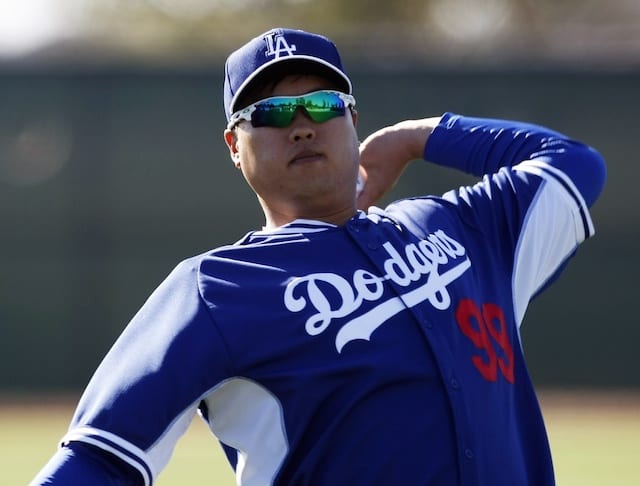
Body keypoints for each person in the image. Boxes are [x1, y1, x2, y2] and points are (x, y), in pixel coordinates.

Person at [32, 27, 606, 486]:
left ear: (352, 120)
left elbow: (572, 163)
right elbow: (101, 456)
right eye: (273, 113)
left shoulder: (459, 225)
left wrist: (416, 136)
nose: (302, 125)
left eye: (323, 104)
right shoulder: (216, 290)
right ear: (235, 146)